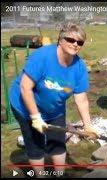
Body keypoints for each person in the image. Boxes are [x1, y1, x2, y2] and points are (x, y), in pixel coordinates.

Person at [9, 22, 100, 177]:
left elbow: (81, 99)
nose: (75, 44)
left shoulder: (79, 67)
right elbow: (25, 87)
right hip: (25, 105)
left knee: (57, 142)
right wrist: (35, 117)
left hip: (54, 109)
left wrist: (88, 126)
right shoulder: (43, 57)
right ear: (60, 39)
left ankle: (59, 174)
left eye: (80, 42)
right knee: (35, 143)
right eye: (71, 40)